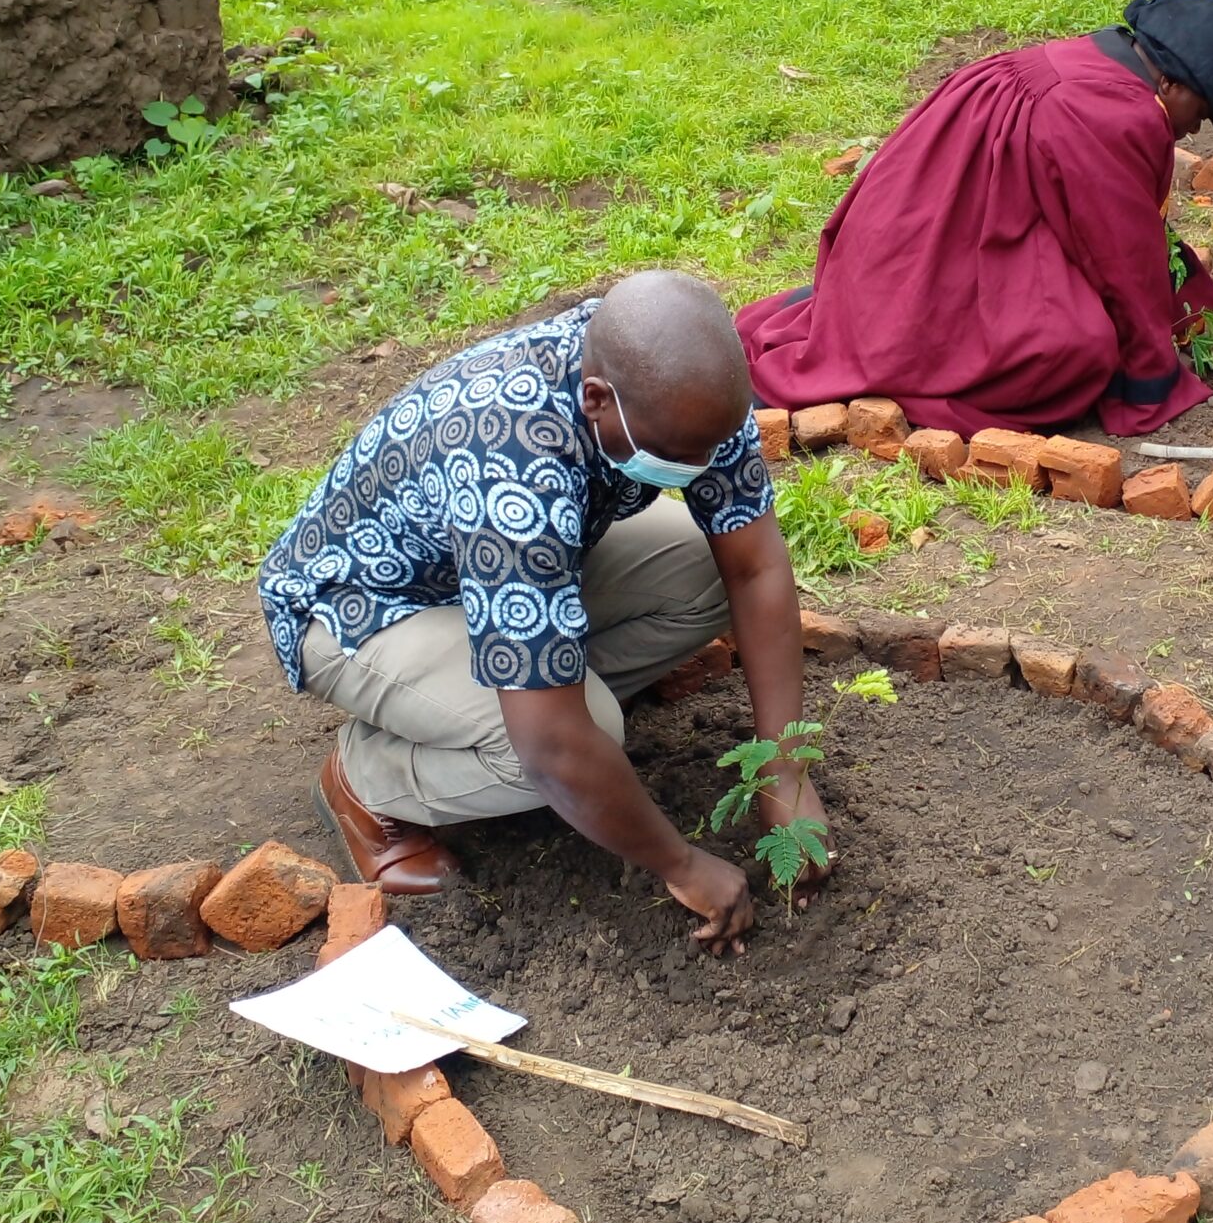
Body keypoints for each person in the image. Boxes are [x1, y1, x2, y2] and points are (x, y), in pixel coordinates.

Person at [256, 273, 821, 954]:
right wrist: (684, 864)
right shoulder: (513, 463)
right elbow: (551, 751)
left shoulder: (683, 386)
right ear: (596, 399)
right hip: (363, 608)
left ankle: (535, 693)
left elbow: (755, 568)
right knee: (563, 741)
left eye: (710, 450)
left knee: (703, 578)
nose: (700, 468)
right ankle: (364, 779)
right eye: (676, 456)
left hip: (496, 573)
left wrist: (785, 772)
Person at [738, 0, 1213, 436]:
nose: (1193, 132)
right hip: (948, 247)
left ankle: (874, 313)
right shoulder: (1117, 114)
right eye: (1201, 115)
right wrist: (1153, 375)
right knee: (1072, 346)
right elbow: (1121, 259)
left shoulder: (1094, 59)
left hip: (907, 243)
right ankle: (899, 344)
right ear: (1171, 83)